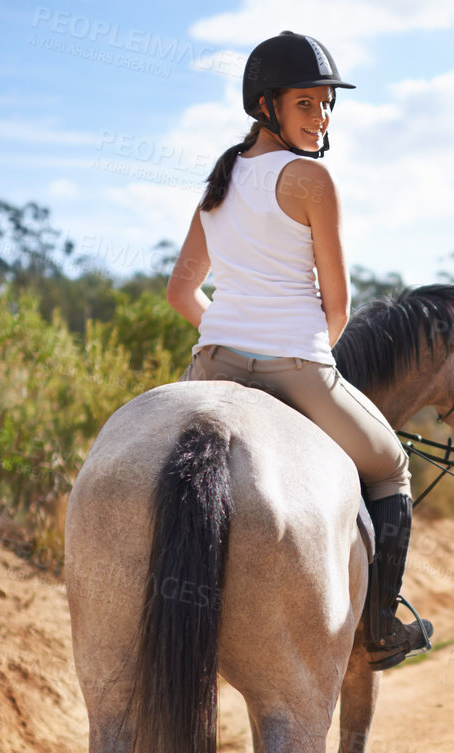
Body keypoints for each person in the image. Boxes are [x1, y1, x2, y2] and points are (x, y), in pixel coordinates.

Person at [166, 30, 432, 669]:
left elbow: (180, 293)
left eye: (327, 105)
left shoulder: (219, 183)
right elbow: (337, 307)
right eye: (307, 104)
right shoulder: (312, 180)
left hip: (212, 366)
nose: (323, 117)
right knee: (392, 467)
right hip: (298, 366)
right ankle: (378, 628)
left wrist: (230, 337)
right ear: (267, 106)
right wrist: (295, 355)